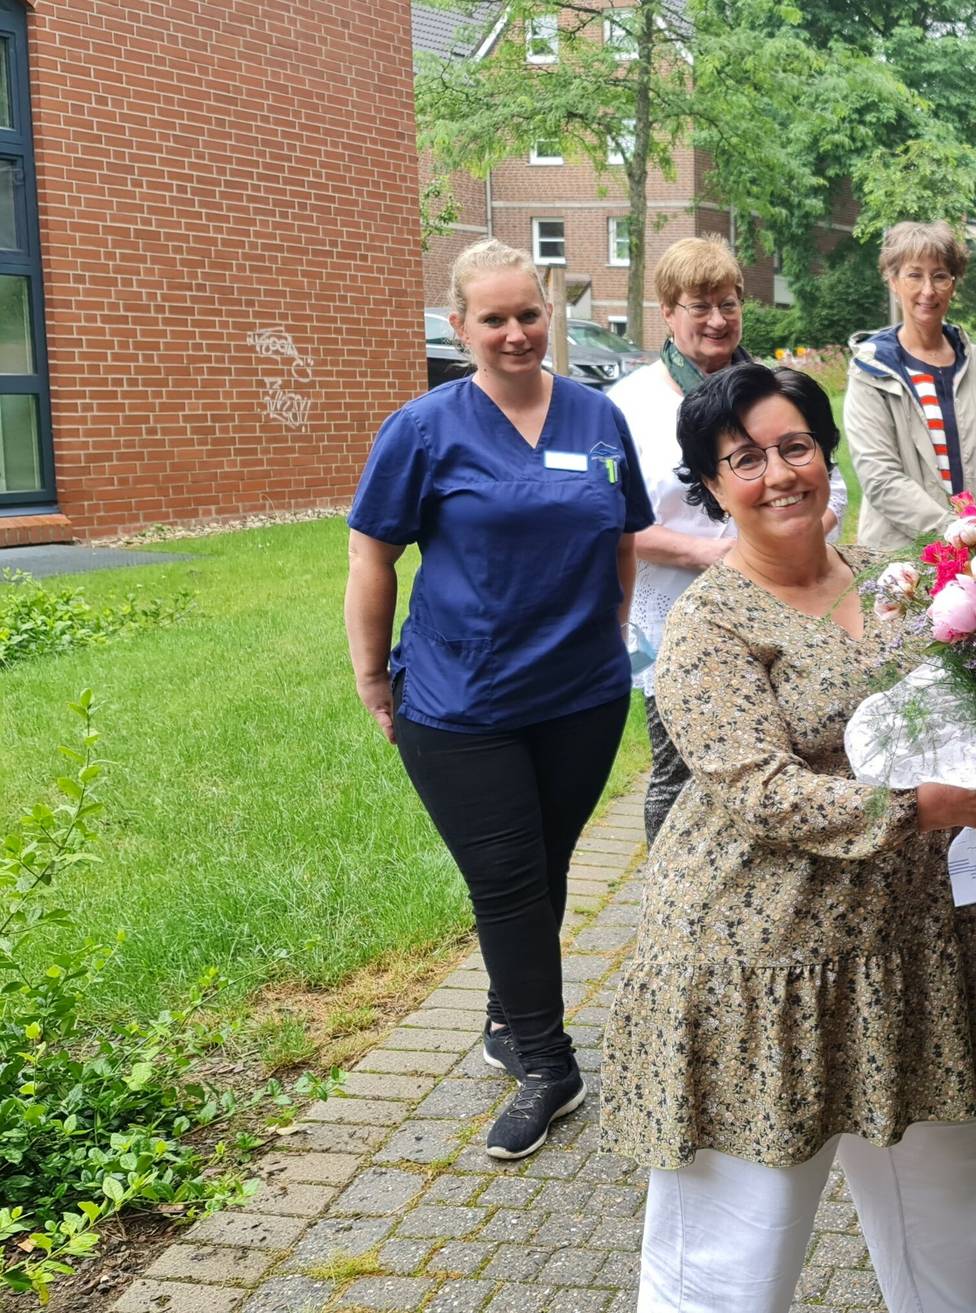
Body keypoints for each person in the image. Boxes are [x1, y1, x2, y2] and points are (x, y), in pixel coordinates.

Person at [597, 362, 976, 1313]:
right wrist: (933, 808)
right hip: (762, 961)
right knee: (738, 1243)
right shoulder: (708, 624)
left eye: (794, 446)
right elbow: (764, 790)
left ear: (826, 455)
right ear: (709, 486)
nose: (779, 473)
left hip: (913, 946)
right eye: (745, 458)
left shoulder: (895, 588)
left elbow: (971, 720)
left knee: (956, 1188)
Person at [345, 237, 653, 1160]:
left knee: (546, 866)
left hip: (581, 696)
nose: (516, 332)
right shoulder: (424, 428)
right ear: (459, 326)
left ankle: (503, 1013)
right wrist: (370, 673)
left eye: (529, 313)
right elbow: (372, 556)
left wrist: (607, 631)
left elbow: (623, 541)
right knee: (507, 879)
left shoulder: (598, 416)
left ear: (547, 314)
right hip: (460, 701)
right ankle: (550, 1064)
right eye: (495, 318)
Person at [609, 235, 847, 844]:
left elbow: (831, 487)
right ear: (667, 311)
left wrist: (784, 546)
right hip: (674, 613)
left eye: (729, 303)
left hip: (787, 604)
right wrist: (713, 556)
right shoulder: (627, 407)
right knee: (678, 769)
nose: (718, 320)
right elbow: (611, 519)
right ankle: (673, 898)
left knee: (788, 757)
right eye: (699, 305)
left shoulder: (773, 389)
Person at [844, 221, 976, 552]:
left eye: (940, 276)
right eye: (914, 275)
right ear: (893, 281)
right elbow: (880, 477)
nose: (928, 290)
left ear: (953, 284)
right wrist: (953, 531)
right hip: (902, 555)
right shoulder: (871, 371)